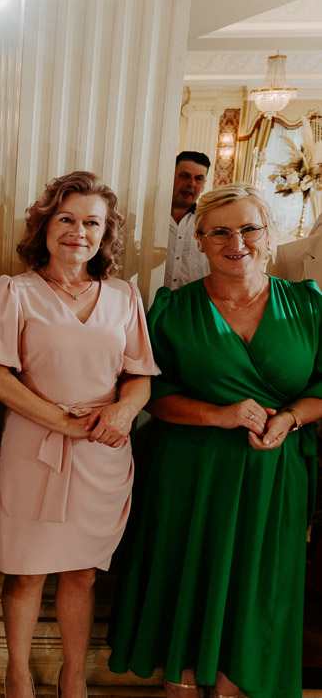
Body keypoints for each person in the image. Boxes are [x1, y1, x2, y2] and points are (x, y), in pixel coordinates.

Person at [108, 183, 320, 698]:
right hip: (190, 470)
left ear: (270, 235)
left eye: (249, 229)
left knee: (258, 587)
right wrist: (218, 415)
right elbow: (151, 394)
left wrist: (291, 418)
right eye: (219, 232)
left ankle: (232, 686)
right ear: (199, 241)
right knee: (188, 577)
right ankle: (180, 682)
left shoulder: (309, 305)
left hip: (274, 474)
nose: (236, 242)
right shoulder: (171, 309)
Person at [0, 171, 158, 698]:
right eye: (66, 218)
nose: (78, 231)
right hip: (34, 447)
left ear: (105, 234)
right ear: (45, 226)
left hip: (103, 449)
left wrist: (123, 412)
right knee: (27, 572)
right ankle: (18, 676)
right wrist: (62, 422)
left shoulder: (124, 295)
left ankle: (73, 676)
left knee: (82, 573)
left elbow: (140, 376)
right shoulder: (15, 290)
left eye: (92, 223)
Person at [164, 151, 211, 289]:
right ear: (171, 176)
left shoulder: (210, 223)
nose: (191, 183)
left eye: (199, 178)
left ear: (204, 184)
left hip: (192, 300)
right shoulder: (148, 217)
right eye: (184, 176)